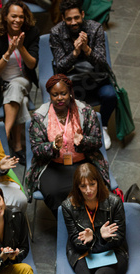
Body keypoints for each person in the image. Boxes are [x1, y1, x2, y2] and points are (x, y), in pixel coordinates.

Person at [25, 74, 110, 216]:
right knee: (53, 192)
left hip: (83, 161)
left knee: (89, 188)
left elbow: (97, 142)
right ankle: (66, 226)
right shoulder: (40, 117)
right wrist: (52, 147)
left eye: (63, 93)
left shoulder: (85, 111)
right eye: (55, 95)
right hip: (52, 164)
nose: (59, 98)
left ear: (70, 92)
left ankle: (88, 222)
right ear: (49, 96)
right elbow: (36, 149)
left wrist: (83, 141)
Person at [49, 0, 117, 150]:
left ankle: (103, 126)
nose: (73, 22)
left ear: (82, 15)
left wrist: (86, 48)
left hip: (95, 78)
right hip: (72, 81)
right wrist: (75, 52)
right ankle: (79, 128)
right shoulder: (56, 33)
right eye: (69, 19)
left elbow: (101, 61)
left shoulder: (95, 28)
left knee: (110, 95)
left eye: (76, 18)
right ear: (63, 18)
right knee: (66, 98)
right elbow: (59, 65)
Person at [0, 0, 40, 165]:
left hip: (24, 81)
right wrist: (9, 51)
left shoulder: (31, 33)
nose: (17, 20)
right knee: (21, 100)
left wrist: (21, 47)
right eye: (13, 16)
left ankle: (4, 135)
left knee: (17, 85)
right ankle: (17, 147)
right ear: (5, 16)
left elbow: (32, 64)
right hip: (2, 85)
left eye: (21, 17)